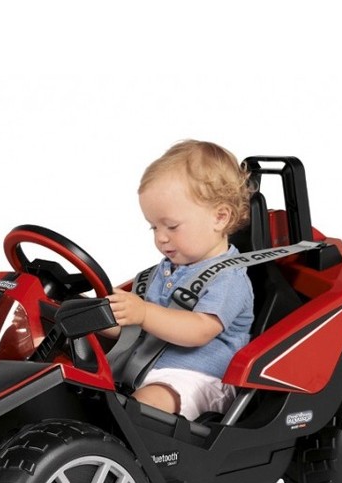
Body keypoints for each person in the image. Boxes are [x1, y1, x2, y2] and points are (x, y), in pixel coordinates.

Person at [104, 140, 254, 420]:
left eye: (171, 226)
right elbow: (134, 327)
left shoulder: (228, 278)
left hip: (199, 377)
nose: (161, 238)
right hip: (146, 367)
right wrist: (101, 316)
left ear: (220, 218)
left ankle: (123, 440)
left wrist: (143, 312)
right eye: (153, 227)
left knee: (146, 405)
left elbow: (198, 330)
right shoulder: (166, 270)